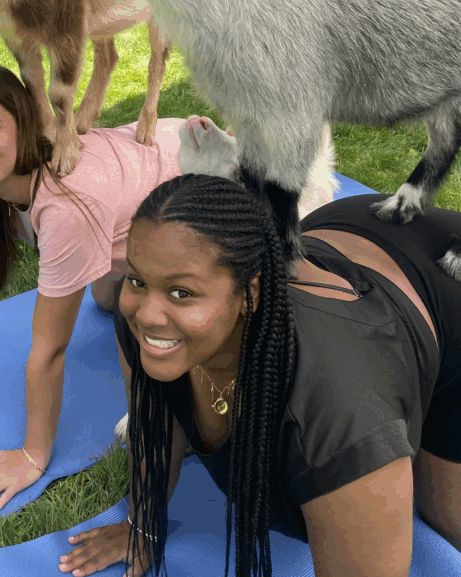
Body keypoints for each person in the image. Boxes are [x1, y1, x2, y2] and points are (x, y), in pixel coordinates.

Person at [58, 174, 461, 577]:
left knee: (446, 517)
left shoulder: (342, 420)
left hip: (445, 279)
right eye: (137, 280)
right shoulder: (145, 325)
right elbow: (155, 419)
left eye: (181, 292)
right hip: (349, 230)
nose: (146, 313)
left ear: (250, 293)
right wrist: (142, 525)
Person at [0, 63, 191, 515]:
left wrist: (32, 455)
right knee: (105, 298)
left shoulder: (65, 204)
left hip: (194, 179)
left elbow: (49, 349)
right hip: (135, 195)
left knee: (127, 311)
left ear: (25, 126)